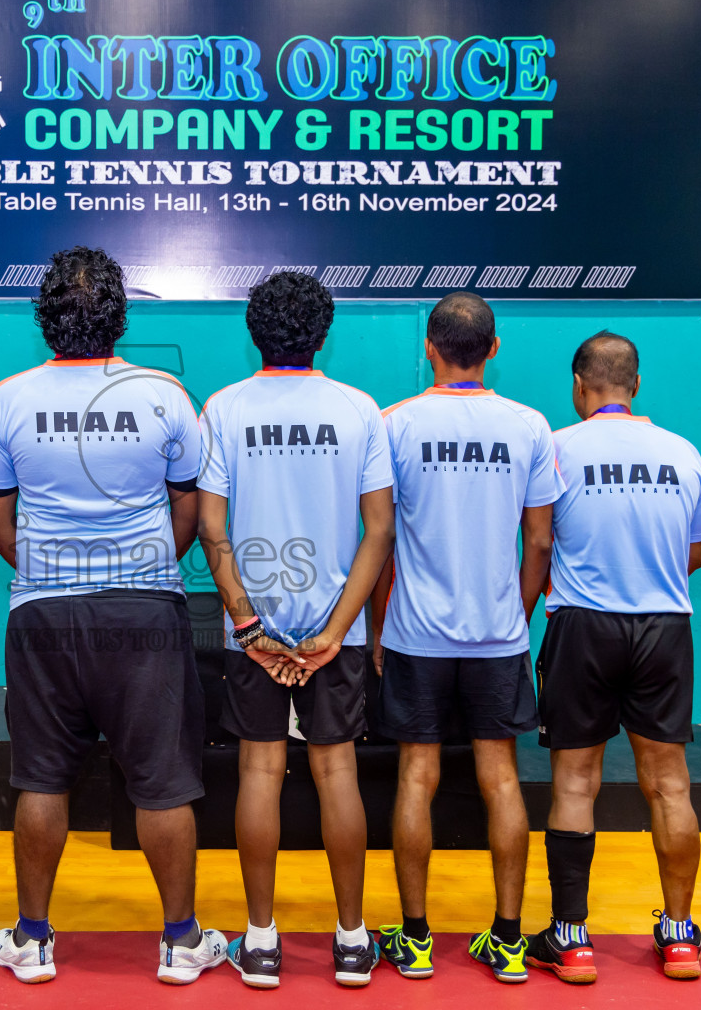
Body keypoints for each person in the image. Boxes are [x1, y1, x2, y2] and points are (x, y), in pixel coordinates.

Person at [0, 246, 227, 985]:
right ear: (119, 315)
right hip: (143, 612)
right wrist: (150, 565)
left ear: (44, 318)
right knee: (165, 780)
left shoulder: (9, 398)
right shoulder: (164, 394)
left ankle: (31, 939)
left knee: (42, 778)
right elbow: (189, 502)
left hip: (46, 615)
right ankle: (181, 943)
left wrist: (41, 566)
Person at [196, 271, 395, 989]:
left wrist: (249, 627)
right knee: (336, 770)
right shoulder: (360, 410)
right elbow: (379, 530)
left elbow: (210, 527)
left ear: (255, 332)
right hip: (328, 635)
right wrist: (339, 630)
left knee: (259, 771)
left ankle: (260, 943)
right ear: (322, 332)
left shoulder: (223, 408)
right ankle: (350, 941)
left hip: (255, 632)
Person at [370, 292, 564, 984]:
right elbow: (539, 538)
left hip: (416, 636)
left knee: (416, 777)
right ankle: (509, 943)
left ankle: (416, 940)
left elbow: (379, 537)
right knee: (502, 778)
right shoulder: (531, 427)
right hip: (497, 637)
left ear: (429, 345)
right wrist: (514, 611)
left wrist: (378, 627)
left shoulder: (394, 424)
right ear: (494, 347)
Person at [524, 331, 701, 984]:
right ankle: (681, 936)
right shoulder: (683, 453)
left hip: (584, 628)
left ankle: (572, 940)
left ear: (580, 385)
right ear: (637, 385)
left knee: (576, 782)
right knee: (669, 784)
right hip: (664, 628)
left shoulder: (557, 447)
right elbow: (695, 556)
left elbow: (541, 543)